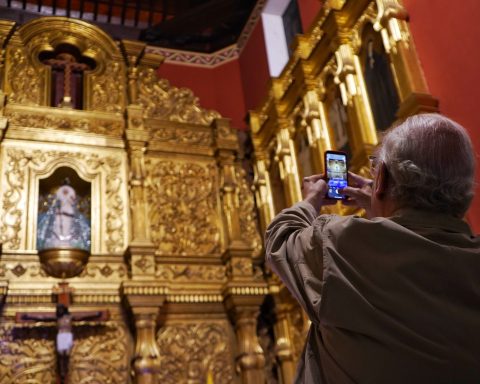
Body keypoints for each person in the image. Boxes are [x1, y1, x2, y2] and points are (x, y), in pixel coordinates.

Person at [265, 113, 480, 383]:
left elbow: (281, 237)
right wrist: (383, 202)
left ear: (382, 178)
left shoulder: (340, 245)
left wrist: (312, 198)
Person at [37, 178, 91, 251]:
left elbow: (83, 231)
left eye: (67, 193)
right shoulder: (51, 214)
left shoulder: (78, 218)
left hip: (72, 244)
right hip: (54, 242)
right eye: (64, 193)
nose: (66, 197)